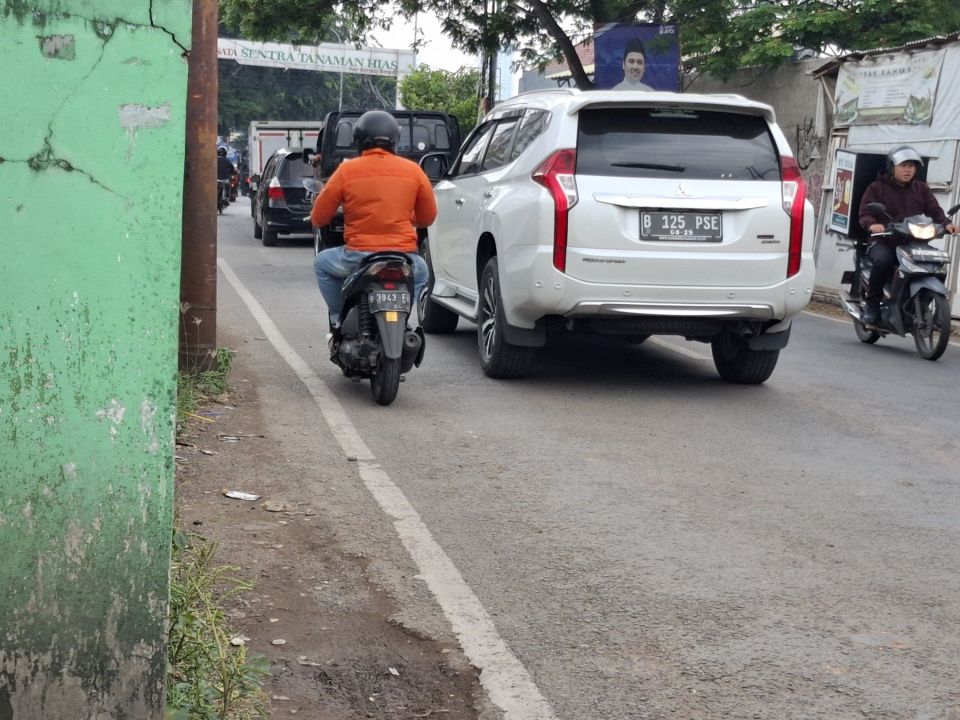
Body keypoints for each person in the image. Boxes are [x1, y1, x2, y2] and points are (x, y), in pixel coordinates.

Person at [310, 110, 435, 349]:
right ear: (395, 140)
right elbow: (427, 218)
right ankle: (403, 316)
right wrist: (410, 218)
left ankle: (338, 318)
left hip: (358, 256)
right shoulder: (414, 170)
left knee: (321, 264)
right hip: (404, 257)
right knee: (422, 272)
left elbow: (319, 217)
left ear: (359, 140)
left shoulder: (347, 171)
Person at [857, 145, 958, 323]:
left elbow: (935, 211)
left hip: (913, 241)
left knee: (934, 262)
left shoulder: (921, 188)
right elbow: (865, 213)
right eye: (903, 165)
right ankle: (872, 305)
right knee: (884, 261)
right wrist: (873, 225)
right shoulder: (877, 188)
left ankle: (923, 303)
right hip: (885, 241)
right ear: (892, 167)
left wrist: (947, 224)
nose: (908, 170)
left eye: (911, 166)